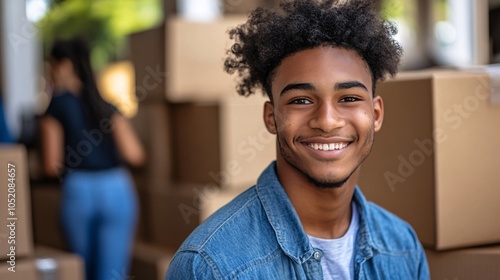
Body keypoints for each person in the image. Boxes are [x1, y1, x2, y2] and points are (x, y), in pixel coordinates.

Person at [165, 0, 429, 279]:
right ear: (271, 118)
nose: (327, 121)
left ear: (375, 114)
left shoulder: (403, 247)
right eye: (301, 100)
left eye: (349, 98)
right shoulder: (210, 266)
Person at [40, 38, 145, 280]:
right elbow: (135, 155)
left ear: (64, 65)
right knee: (113, 274)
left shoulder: (56, 105)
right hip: (118, 187)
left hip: (79, 189)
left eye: (51, 66)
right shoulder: (105, 105)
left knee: (80, 272)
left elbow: (50, 166)